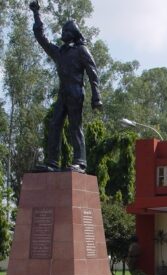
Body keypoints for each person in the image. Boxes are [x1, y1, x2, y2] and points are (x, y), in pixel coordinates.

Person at [29, 1, 102, 173]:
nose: (63, 34)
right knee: (55, 125)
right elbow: (41, 38)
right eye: (62, 32)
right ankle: (52, 162)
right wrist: (36, 14)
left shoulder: (81, 50)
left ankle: (80, 162)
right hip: (63, 94)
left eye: (66, 32)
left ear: (74, 33)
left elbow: (93, 73)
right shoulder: (59, 52)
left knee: (75, 126)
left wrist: (96, 96)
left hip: (76, 92)